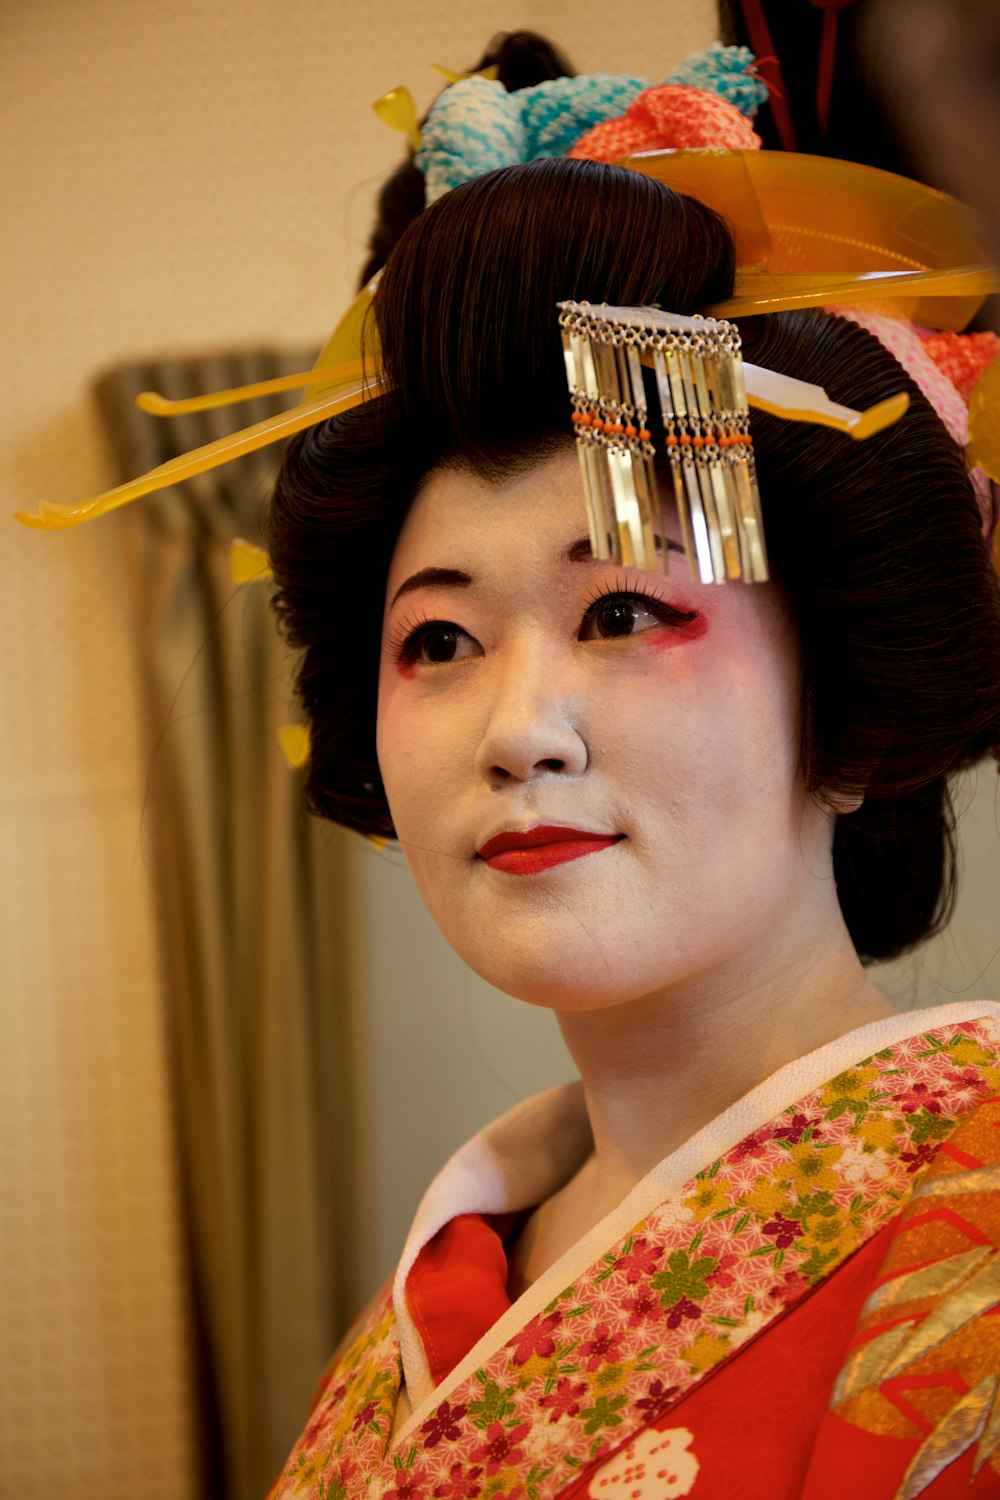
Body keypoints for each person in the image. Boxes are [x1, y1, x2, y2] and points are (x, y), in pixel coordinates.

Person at [265, 153, 1000, 1498]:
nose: (519, 729)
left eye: (622, 613)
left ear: (845, 690)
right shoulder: (434, 1308)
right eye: (438, 638)